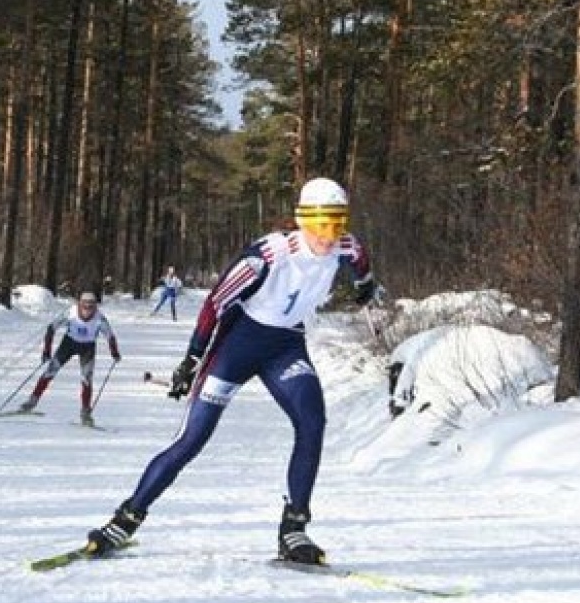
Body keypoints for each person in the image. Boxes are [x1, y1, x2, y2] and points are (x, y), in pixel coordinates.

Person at [84, 177, 383, 565]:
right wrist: (192, 359)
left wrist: (365, 284)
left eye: (337, 223)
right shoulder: (269, 255)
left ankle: (294, 529)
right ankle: (125, 520)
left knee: (313, 423)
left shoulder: (345, 245)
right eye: (321, 224)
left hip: (285, 347)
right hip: (237, 345)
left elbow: (360, 261)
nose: (329, 235)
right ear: (302, 220)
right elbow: (215, 303)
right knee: (192, 439)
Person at [19, 291, 121, 426]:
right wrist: (46, 351)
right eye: (85, 306)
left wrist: (114, 352)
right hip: (68, 344)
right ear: (80, 304)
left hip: (88, 348)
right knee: (50, 372)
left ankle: (85, 412)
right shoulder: (71, 313)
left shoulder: (100, 318)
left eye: (91, 306)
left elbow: (110, 336)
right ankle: (32, 401)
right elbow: (51, 329)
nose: (88, 310)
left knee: (86, 379)